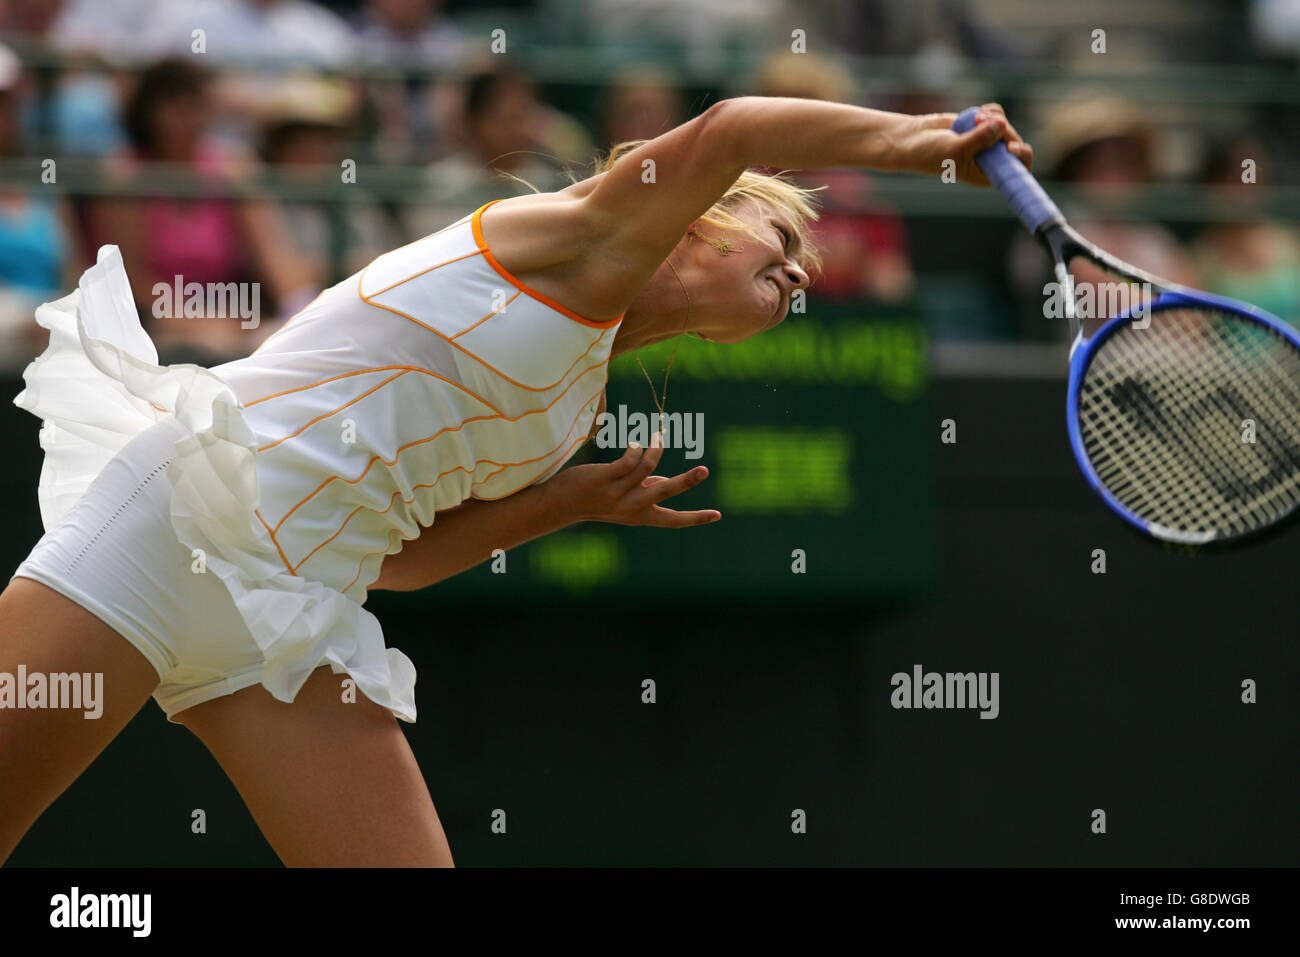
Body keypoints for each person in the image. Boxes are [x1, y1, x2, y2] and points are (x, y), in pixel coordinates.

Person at [0, 98, 1030, 866]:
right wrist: (922, 144)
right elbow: (727, 128)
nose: (804, 265)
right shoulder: (565, 236)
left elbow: (398, 564)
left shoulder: (576, 410)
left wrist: (564, 502)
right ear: (702, 216)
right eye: (783, 233)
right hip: (181, 516)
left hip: (288, 624)